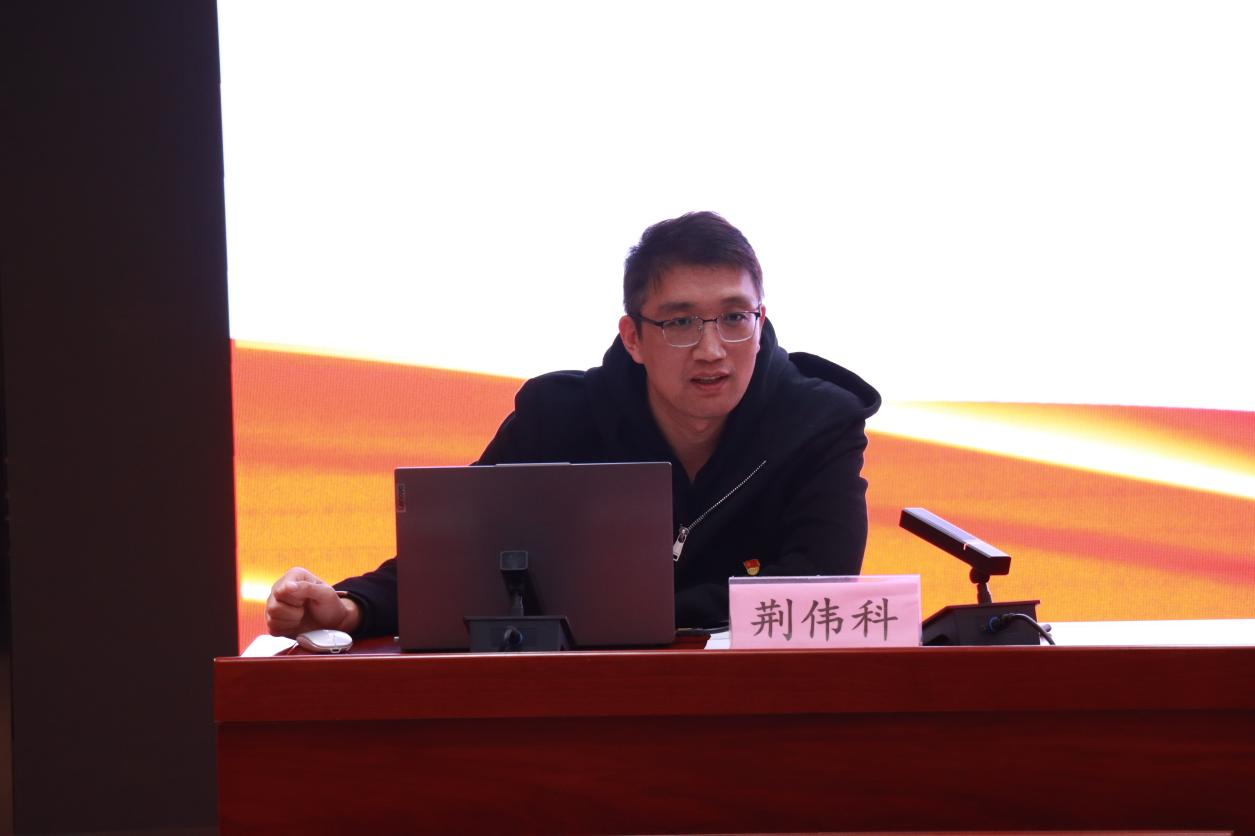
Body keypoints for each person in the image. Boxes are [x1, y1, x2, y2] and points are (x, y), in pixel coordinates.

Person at [266, 211, 881, 637]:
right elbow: (457, 562)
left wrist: (628, 613)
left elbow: (817, 587)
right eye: (680, 322)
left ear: (760, 319)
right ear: (633, 337)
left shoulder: (820, 423)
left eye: (734, 318)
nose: (712, 349)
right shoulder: (558, 416)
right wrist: (350, 607)